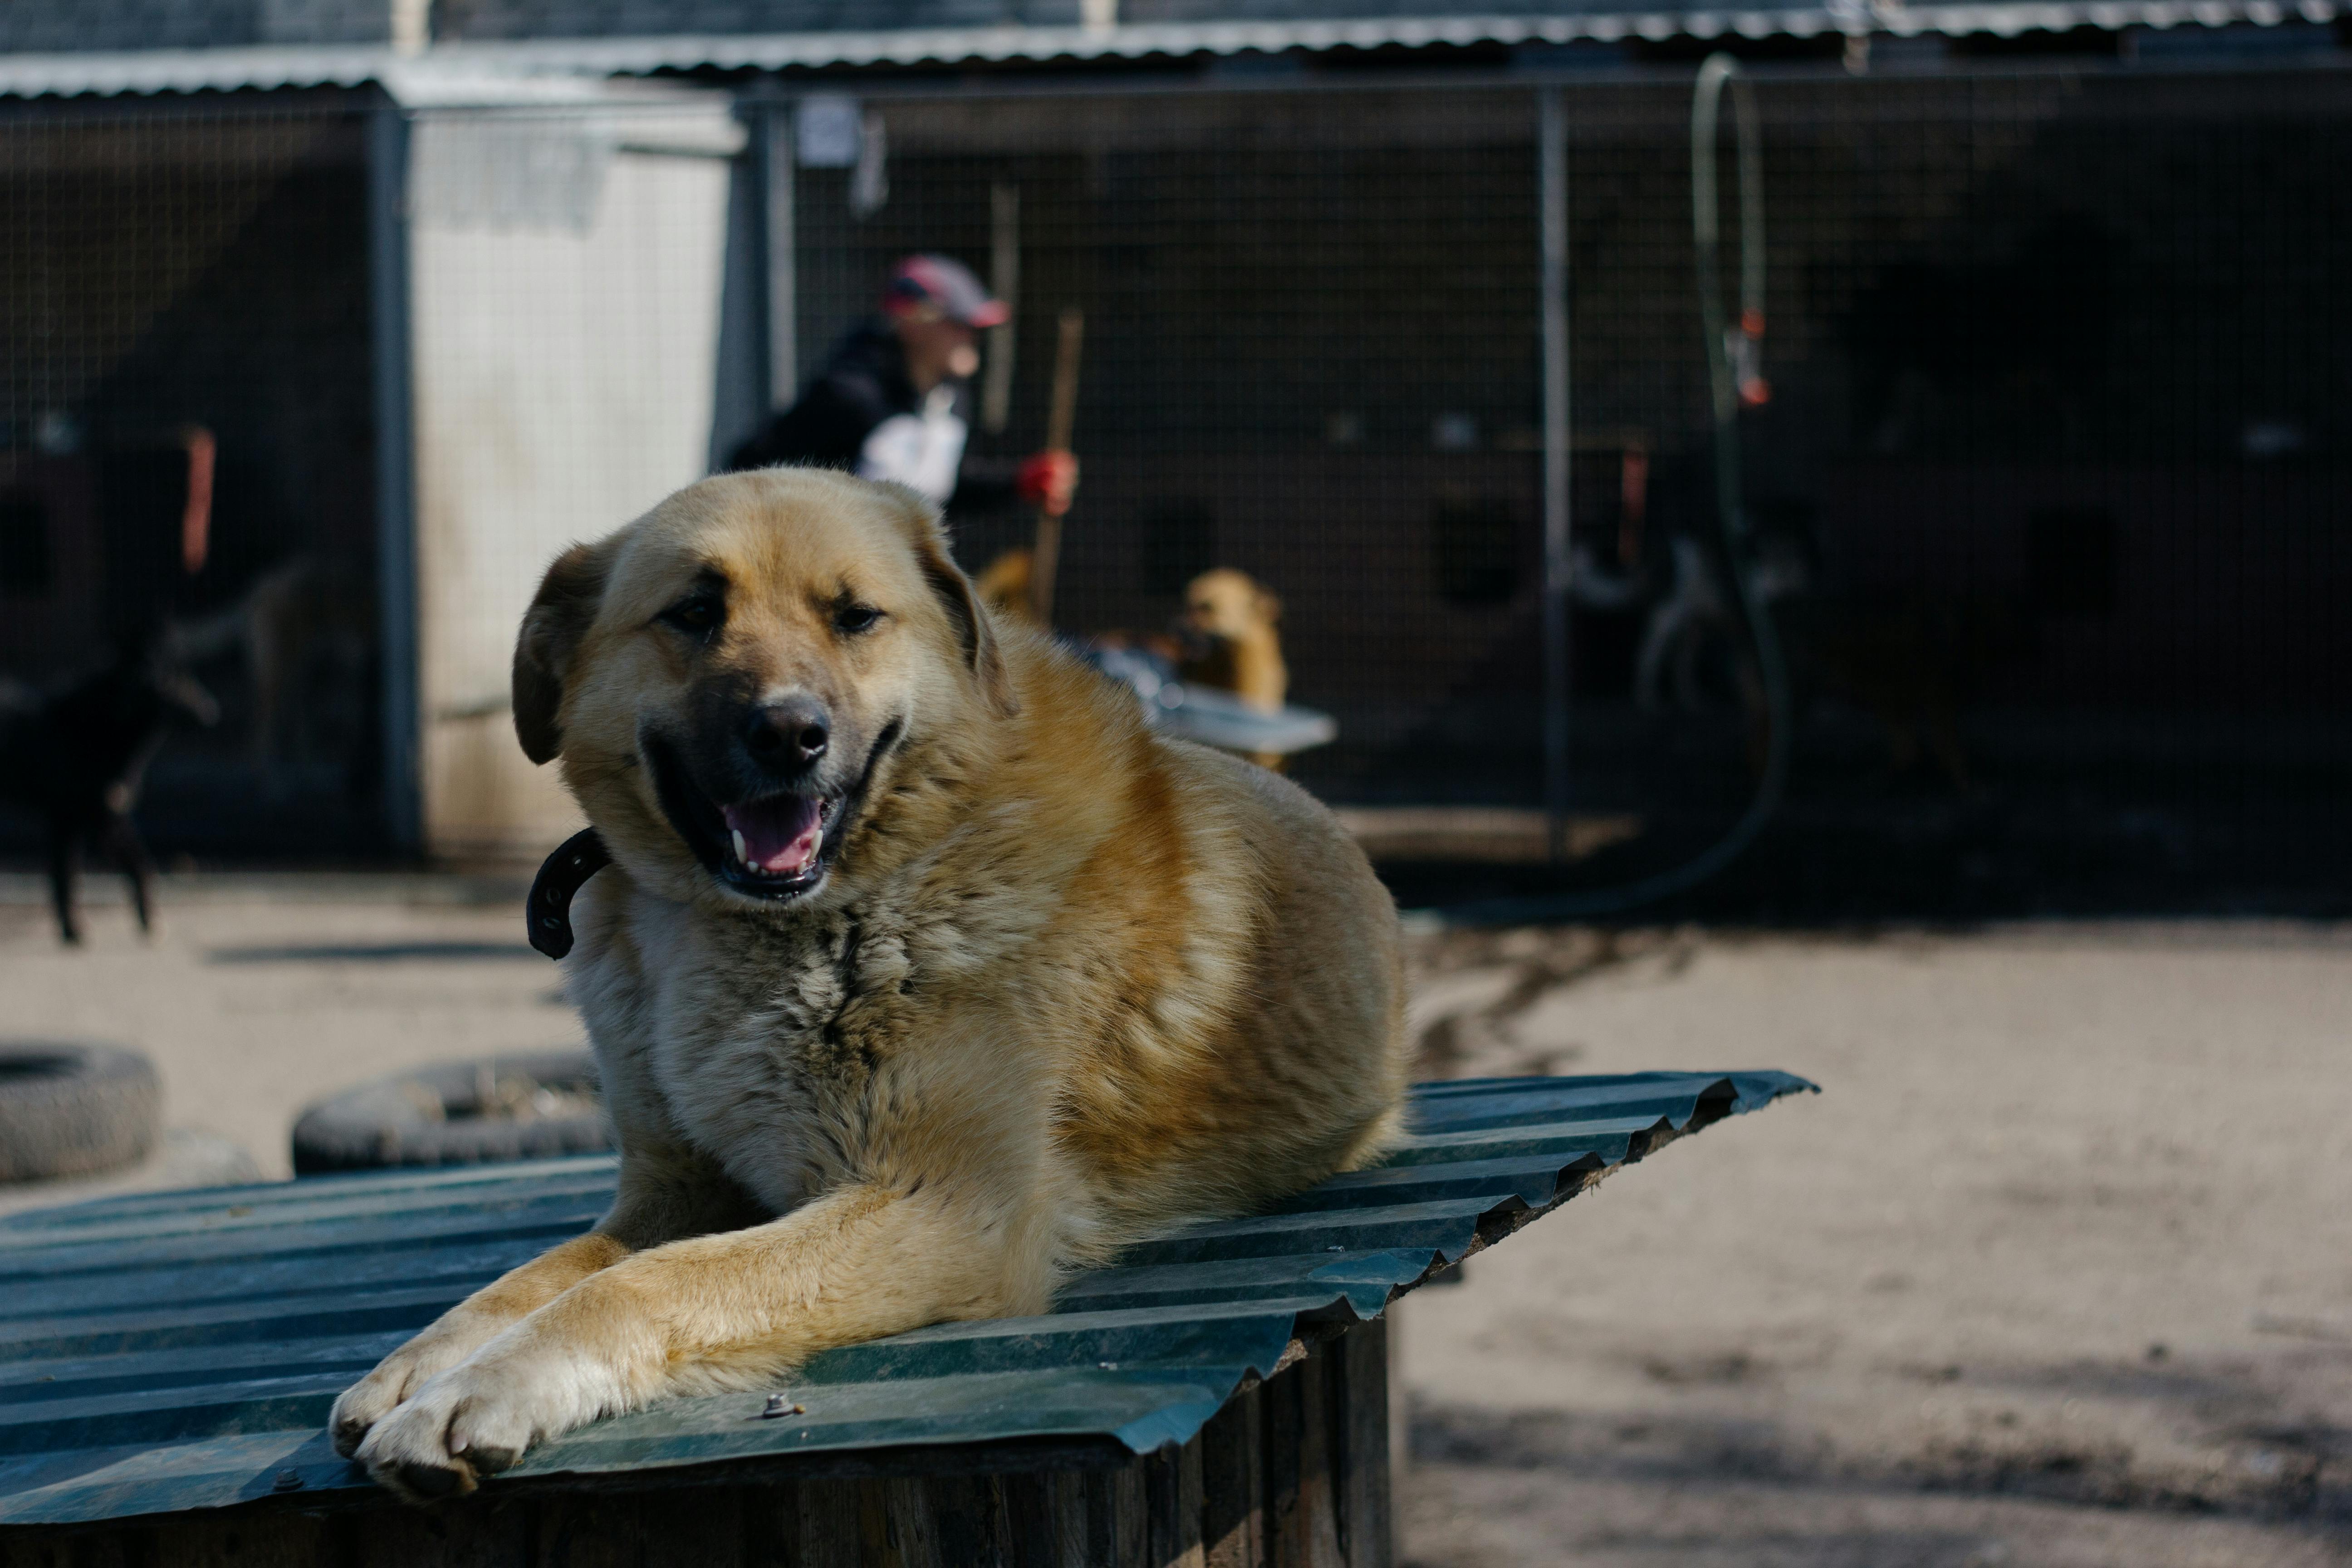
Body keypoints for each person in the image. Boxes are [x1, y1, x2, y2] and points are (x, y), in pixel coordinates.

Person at [728, 254, 1076, 521]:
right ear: (914, 323)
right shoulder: (850, 397)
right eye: (958, 324)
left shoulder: (949, 399)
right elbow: (750, 469)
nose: (970, 338)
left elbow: (938, 488)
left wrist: (1020, 483)